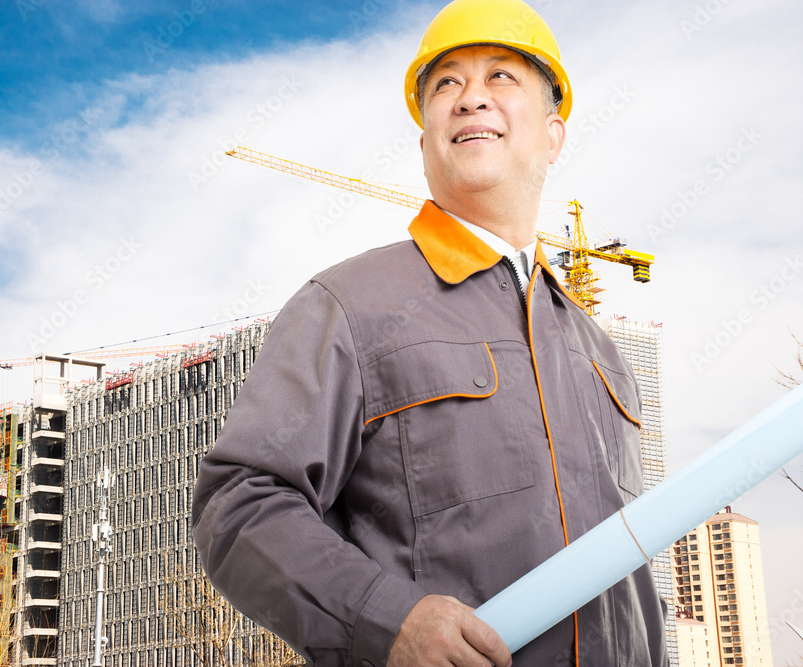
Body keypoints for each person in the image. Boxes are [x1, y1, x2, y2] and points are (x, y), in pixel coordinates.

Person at [192, 0, 669, 665]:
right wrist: (386, 619)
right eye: (447, 84)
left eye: (502, 76)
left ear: (554, 134)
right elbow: (238, 507)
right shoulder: (347, 305)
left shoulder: (602, 355)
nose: (471, 97)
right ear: (425, 144)